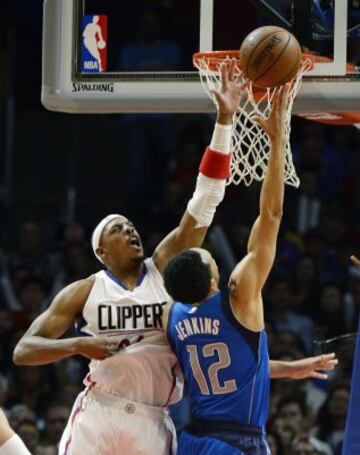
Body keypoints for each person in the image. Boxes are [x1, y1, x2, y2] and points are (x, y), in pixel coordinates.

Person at [13, 61, 245, 454]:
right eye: (117, 229)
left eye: (131, 225)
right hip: (99, 409)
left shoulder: (163, 266)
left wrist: (223, 121)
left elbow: (204, 203)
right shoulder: (84, 291)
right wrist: (76, 347)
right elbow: (24, 351)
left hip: (153, 418)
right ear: (100, 251)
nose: (130, 230)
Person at [164, 87, 338, 454]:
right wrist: (277, 141)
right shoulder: (238, 294)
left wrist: (289, 369)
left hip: (193, 441)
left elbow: (233, 366)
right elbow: (271, 216)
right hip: (236, 441)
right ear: (212, 277)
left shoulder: (175, 316)